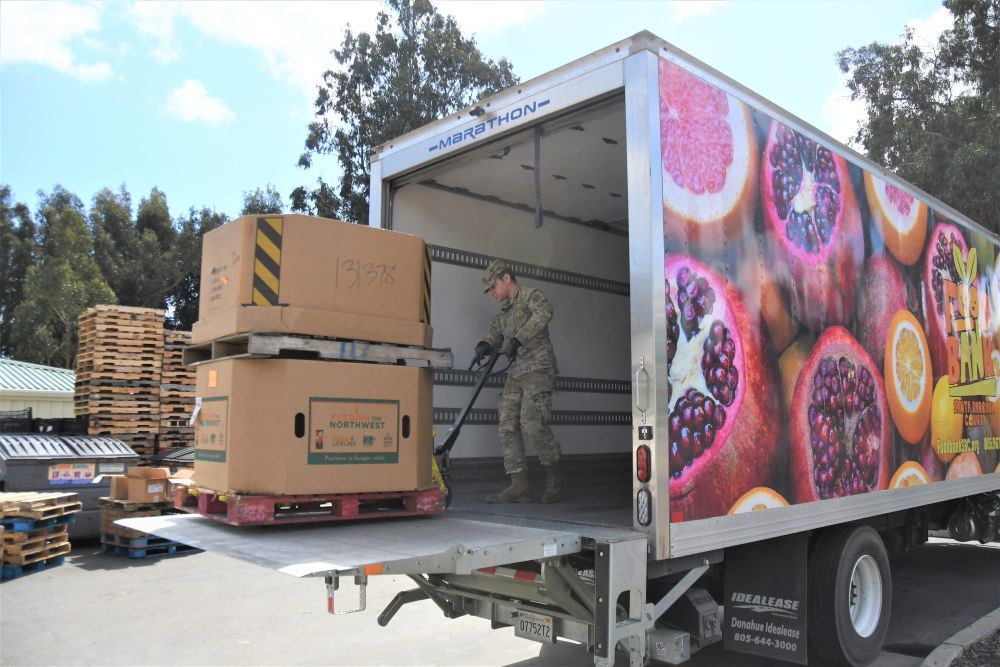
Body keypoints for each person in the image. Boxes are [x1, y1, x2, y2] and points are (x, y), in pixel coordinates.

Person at [475, 259, 564, 503]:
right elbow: (494, 333)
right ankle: (519, 485)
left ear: (506, 278)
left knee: (532, 422)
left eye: (493, 287)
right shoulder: (504, 312)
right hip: (517, 373)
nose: (492, 293)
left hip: (538, 368)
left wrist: (519, 338)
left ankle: (555, 475)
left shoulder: (530, 296)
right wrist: (484, 345)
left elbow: (545, 312)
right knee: (506, 424)